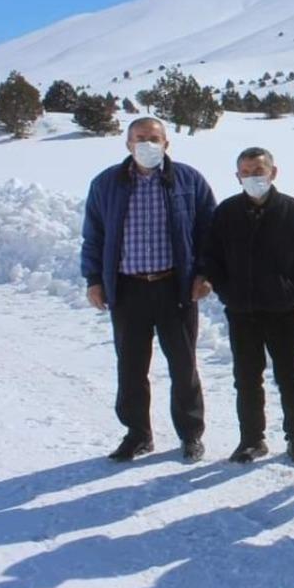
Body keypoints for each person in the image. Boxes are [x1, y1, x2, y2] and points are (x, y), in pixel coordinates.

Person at [81, 117, 215, 462]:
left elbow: (209, 232)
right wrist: (94, 279)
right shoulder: (107, 184)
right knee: (131, 366)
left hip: (176, 287)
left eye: (154, 138)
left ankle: (190, 434)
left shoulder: (188, 180)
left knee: (183, 366)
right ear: (127, 144)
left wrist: (204, 273)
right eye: (140, 138)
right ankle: (137, 434)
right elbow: (93, 236)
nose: (147, 144)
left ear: (167, 144)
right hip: (128, 289)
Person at [204, 147, 294, 465]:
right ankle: (251, 439)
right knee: (246, 377)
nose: (253, 177)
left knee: (290, 375)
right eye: (246, 172)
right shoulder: (226, 213)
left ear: (273, 172)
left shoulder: (292, 211)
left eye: (259, 171)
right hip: (241, 311)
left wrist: (292, 289)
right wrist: (226, 290)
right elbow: (211, 257)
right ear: (237, 176)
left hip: (282, 310)